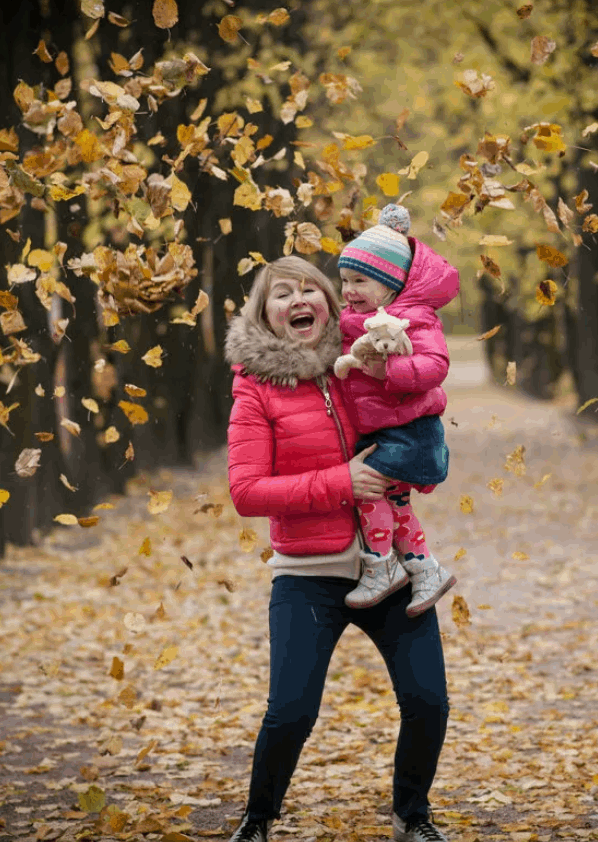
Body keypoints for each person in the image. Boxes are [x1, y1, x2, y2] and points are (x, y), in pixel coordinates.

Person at [223, 256, 453, 842]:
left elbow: (414, 406)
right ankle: (258, 819)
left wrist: (419, 462)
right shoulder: (254, 388)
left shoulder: (366, 360)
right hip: (308, 574)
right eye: (282, 294)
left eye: (310, 290)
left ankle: (412, 815)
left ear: (330, 301)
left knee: (428, 701)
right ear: (264, 311)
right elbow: (247, 491)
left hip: (391, 567)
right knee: (292, 712)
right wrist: (342, 482)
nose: (298, 300)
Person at [334, 204, 458, 616]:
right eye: (345, 281)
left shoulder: (414, 319)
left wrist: (389, 370)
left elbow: (435, 366)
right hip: (387, 429)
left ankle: (381, 565)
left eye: (360, 280)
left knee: (368, 490)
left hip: (411, 431)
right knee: (397, 503)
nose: (349, 290)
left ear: (389, 285)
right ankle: (426, 571)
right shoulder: (356, 318)